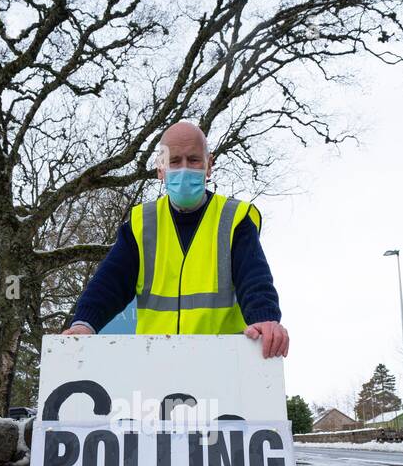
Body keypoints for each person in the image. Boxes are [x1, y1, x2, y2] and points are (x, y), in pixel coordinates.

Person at [62, 121, 289, 359]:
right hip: (155, 365)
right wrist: (84, 324)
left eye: (193, 160)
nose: (184, 169)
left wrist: (264, 319)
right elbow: (109, 283)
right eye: (174, 161)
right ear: (160, 169)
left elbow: (254, 279)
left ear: (209, 165)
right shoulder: (141, 224)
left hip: (224, 364)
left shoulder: (236, 219)